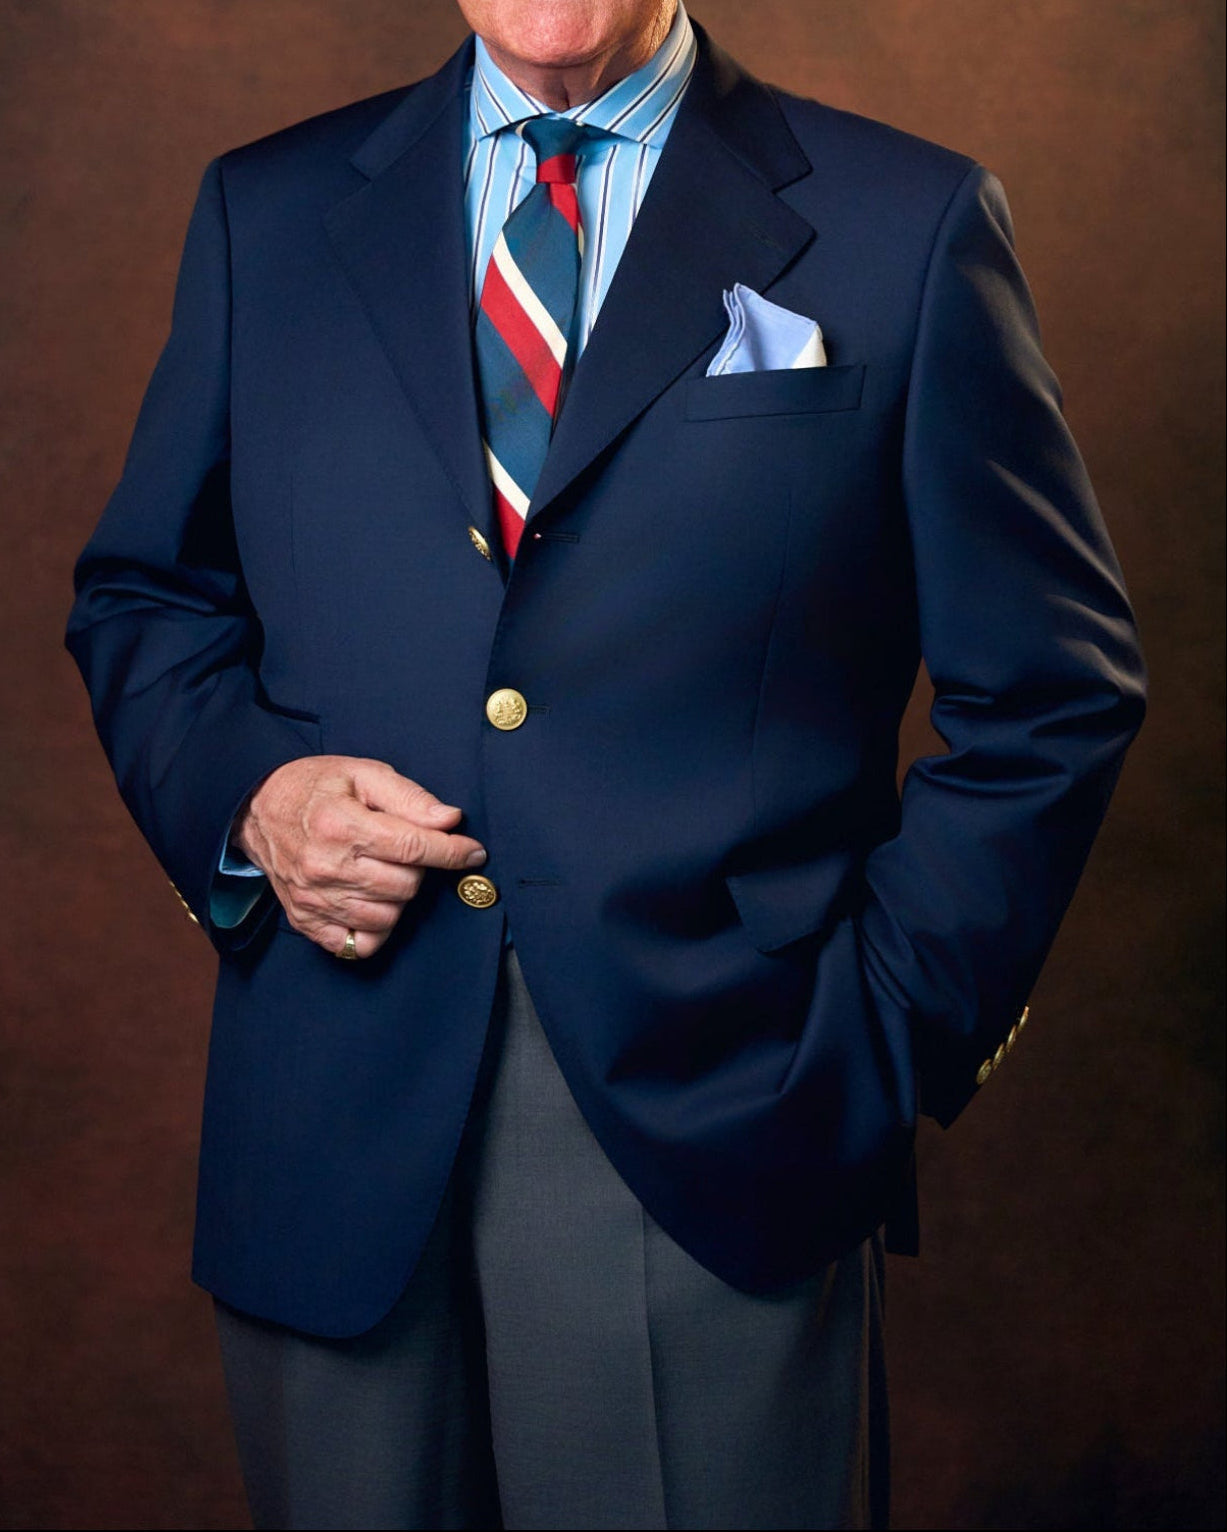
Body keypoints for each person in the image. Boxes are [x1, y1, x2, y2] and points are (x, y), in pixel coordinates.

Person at [66, 1, 1146, 1526]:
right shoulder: (267, 211)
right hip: (331, 1125)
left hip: (728, 1127)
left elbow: (1052, 694)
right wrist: (254, 796)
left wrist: (874, 1039)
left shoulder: (908, 222)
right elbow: (144, 596)